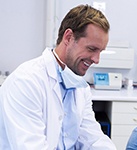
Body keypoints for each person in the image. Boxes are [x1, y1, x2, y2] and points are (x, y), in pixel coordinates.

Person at [0, 4, 117, 150]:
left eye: (100, 51)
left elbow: (93, 139)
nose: (96, 59)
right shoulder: (26, 82)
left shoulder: (80, 88)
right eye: (91, 49)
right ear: (68, 37)